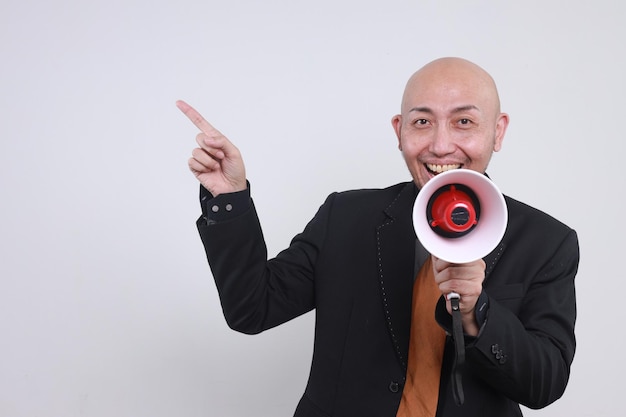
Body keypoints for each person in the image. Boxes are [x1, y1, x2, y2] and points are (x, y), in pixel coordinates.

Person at [177, 57, 579, 417]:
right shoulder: (346, 216)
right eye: (422, 121)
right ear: (399, 130)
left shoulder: (547, 242)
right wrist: (228, 199)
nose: (440, 145)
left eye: (464, 122)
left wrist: (477, 313)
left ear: (498, 131)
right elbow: (252, 309)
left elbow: (544, 385)